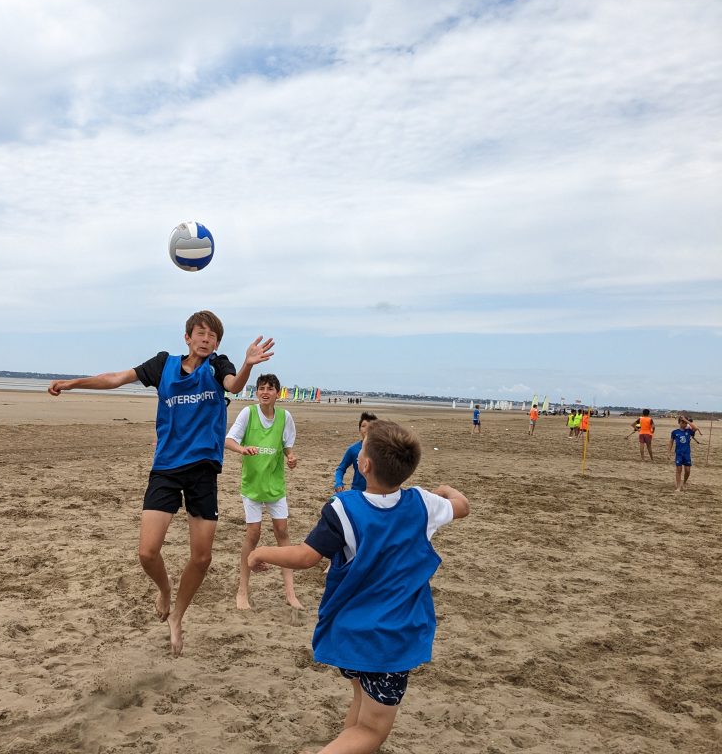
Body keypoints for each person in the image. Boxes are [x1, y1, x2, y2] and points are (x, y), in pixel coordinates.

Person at [48, 310, 274, 655]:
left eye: (212, 336)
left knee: (201, 559)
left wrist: (247, 365)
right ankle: (166, 590)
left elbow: (234, 385)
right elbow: (115, 378)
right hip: (166, 468)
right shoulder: (163, 365)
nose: (205, 339)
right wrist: (71, 383)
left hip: (202, 470)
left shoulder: (217, 366)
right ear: (187, 337)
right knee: (147, 551)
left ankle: (177, 615)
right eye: (200, 333)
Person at [248, 420, 469, 753]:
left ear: (363, 465)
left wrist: (259, 552)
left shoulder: (344, 509)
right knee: (371, 730)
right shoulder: (424, 503)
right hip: (391, 639)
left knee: (361, 705)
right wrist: (447, 490)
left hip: (351, 631)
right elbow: (462, 506)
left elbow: (305, 556)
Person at [225, 373, 301, 611]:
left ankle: (290, 592)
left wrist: (291, 457)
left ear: (278, 392)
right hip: (252, 486)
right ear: (256, 392)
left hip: (275, 486)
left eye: (270, 388)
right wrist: (242, 449)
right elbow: (229, 440)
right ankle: (242, 591)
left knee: (282, 531)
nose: (265, 392)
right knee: (253, 534)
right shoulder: (248, 413)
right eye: (261, 388)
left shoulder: (285, 417)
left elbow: (288, 446)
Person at [334, 413, 378, 493]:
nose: (367, 429)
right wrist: (338, 483)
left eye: (371, 426)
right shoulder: (353, 449)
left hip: (377, 493)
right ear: (359, 430)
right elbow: (340, 469)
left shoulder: (383, 449)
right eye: (363, 426)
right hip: (357, 491)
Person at [669, 416, 700, 492]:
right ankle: (678, 487)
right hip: (679, 454)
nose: (684, 424)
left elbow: (696, 428)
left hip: (687, 454)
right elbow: (671, 442)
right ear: (679, 423)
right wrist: (669, 452)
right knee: (678, 470)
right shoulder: (675, 432)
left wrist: (686, 420)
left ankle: (684, 482)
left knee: (687, 471)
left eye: (685, 423)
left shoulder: (689, 431)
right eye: (682, 422)